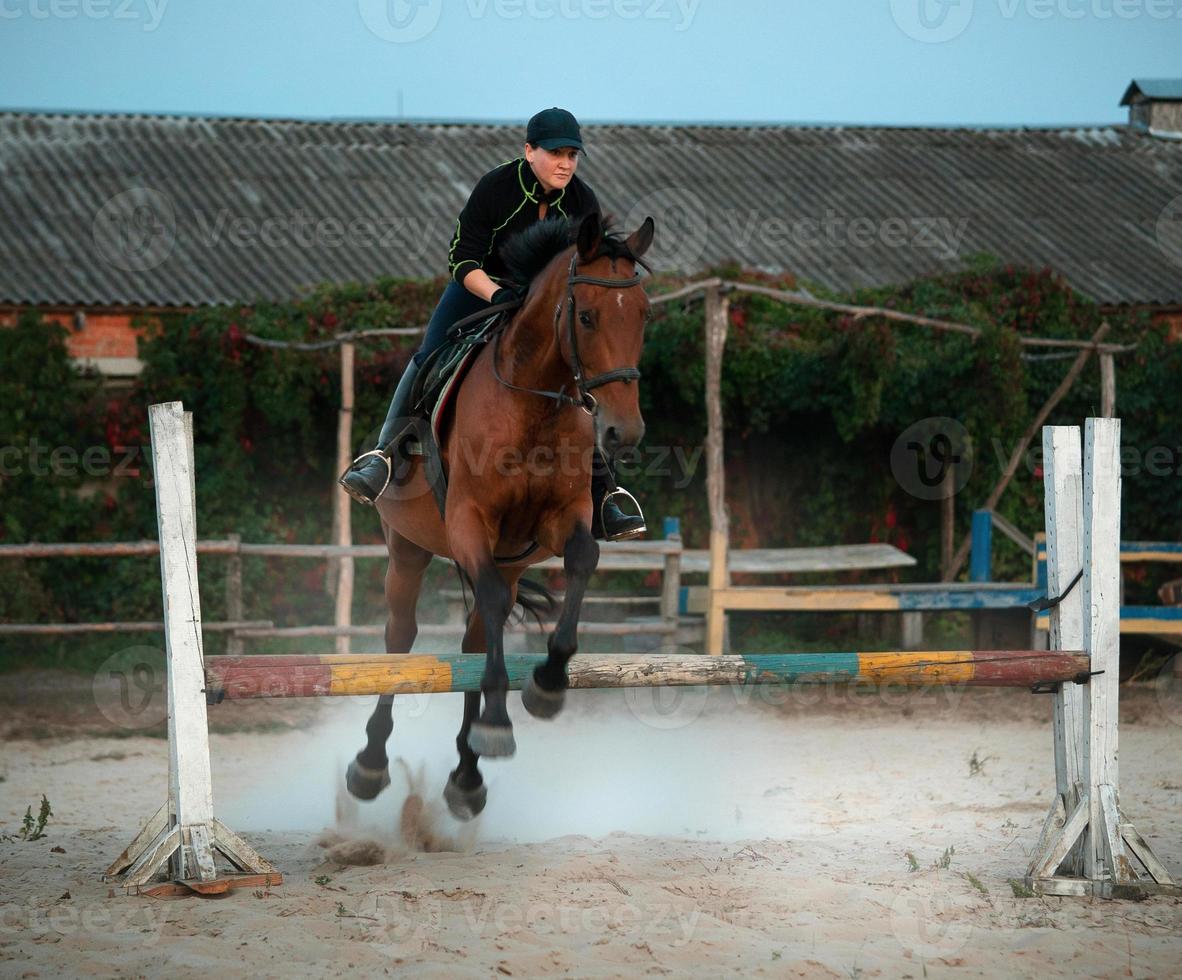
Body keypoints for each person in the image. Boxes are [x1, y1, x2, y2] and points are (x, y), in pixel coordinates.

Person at [339, 107, 646, 540]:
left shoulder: (582, 201)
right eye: (556, 153)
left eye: (573, 155)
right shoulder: (497, 187)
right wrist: (499, 294)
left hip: (540, 307)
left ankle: (606, 491)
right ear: (528, 150)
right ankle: (383, 456)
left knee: (580, 377)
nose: (566, 163)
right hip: (479, 288)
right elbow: (461, 257)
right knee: (429, 356)